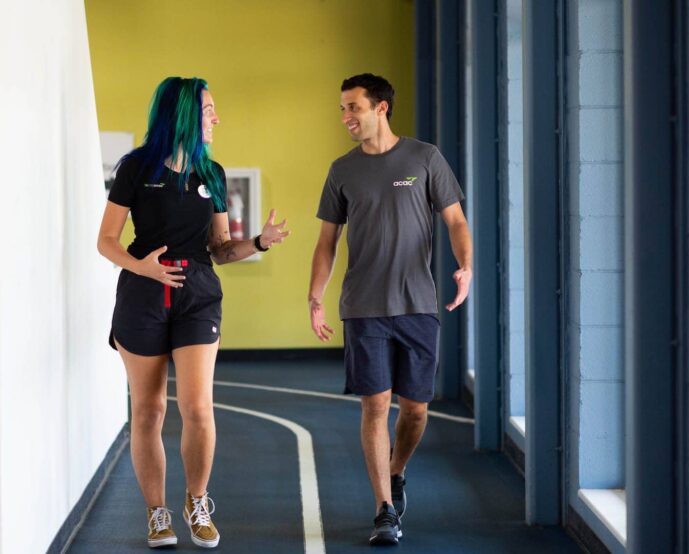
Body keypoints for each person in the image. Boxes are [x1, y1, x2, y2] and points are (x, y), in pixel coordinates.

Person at [97, 76, 289, 549]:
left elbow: (221, 249)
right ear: (182, 114)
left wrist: (260, 242)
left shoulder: (213, 174)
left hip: (198, 294)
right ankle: (157, 513)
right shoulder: (135, 168)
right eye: (208, 111)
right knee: (148, 411)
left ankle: (197, 501)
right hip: (143, 295)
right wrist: (140, 266)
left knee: (198, 409)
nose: (215, 118)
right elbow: (106, 241)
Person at [308, 73, 472, 545]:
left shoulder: (424, 158)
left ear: (381, 107)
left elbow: (456, 220)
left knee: (415, 411)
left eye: (353, 107)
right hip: (363, 307)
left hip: (418, 304)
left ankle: (397, 471)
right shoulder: (342, 170)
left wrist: (466, 266)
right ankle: (384, 508)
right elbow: (326, 242)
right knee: (375, 404)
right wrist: (315, 296)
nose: (345, 117)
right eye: (342, 109)